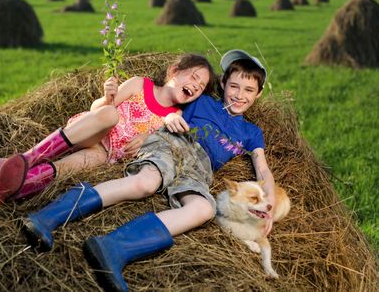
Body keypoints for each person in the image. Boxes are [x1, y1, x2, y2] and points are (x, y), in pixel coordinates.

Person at [21, 49, 276, 291]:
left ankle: (113, 248)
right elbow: (169, 104)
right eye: (234, 86)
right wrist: (169, 119)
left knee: (204, 209)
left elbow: (262, 169)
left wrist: (270, 202)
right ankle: (49, 216)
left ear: (258, 93)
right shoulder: (203, 102)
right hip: (174, 144)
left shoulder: (252, 133)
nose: (239, 95)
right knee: (145, 183)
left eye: (249, 90)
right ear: (223, 85)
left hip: (199, 170)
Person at [0, 53, 218, 203]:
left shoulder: (174, 117)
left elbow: (158, 150)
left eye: (201, 86)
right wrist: (108, 98)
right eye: (194, 77)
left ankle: (9, 188)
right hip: (91, 131)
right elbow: (96, 109)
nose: (196, 86)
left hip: (106, 153)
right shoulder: (140, 84)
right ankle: (28, 158)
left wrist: (145, 139)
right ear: (175, 71)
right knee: (109, 113)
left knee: (78, 164)